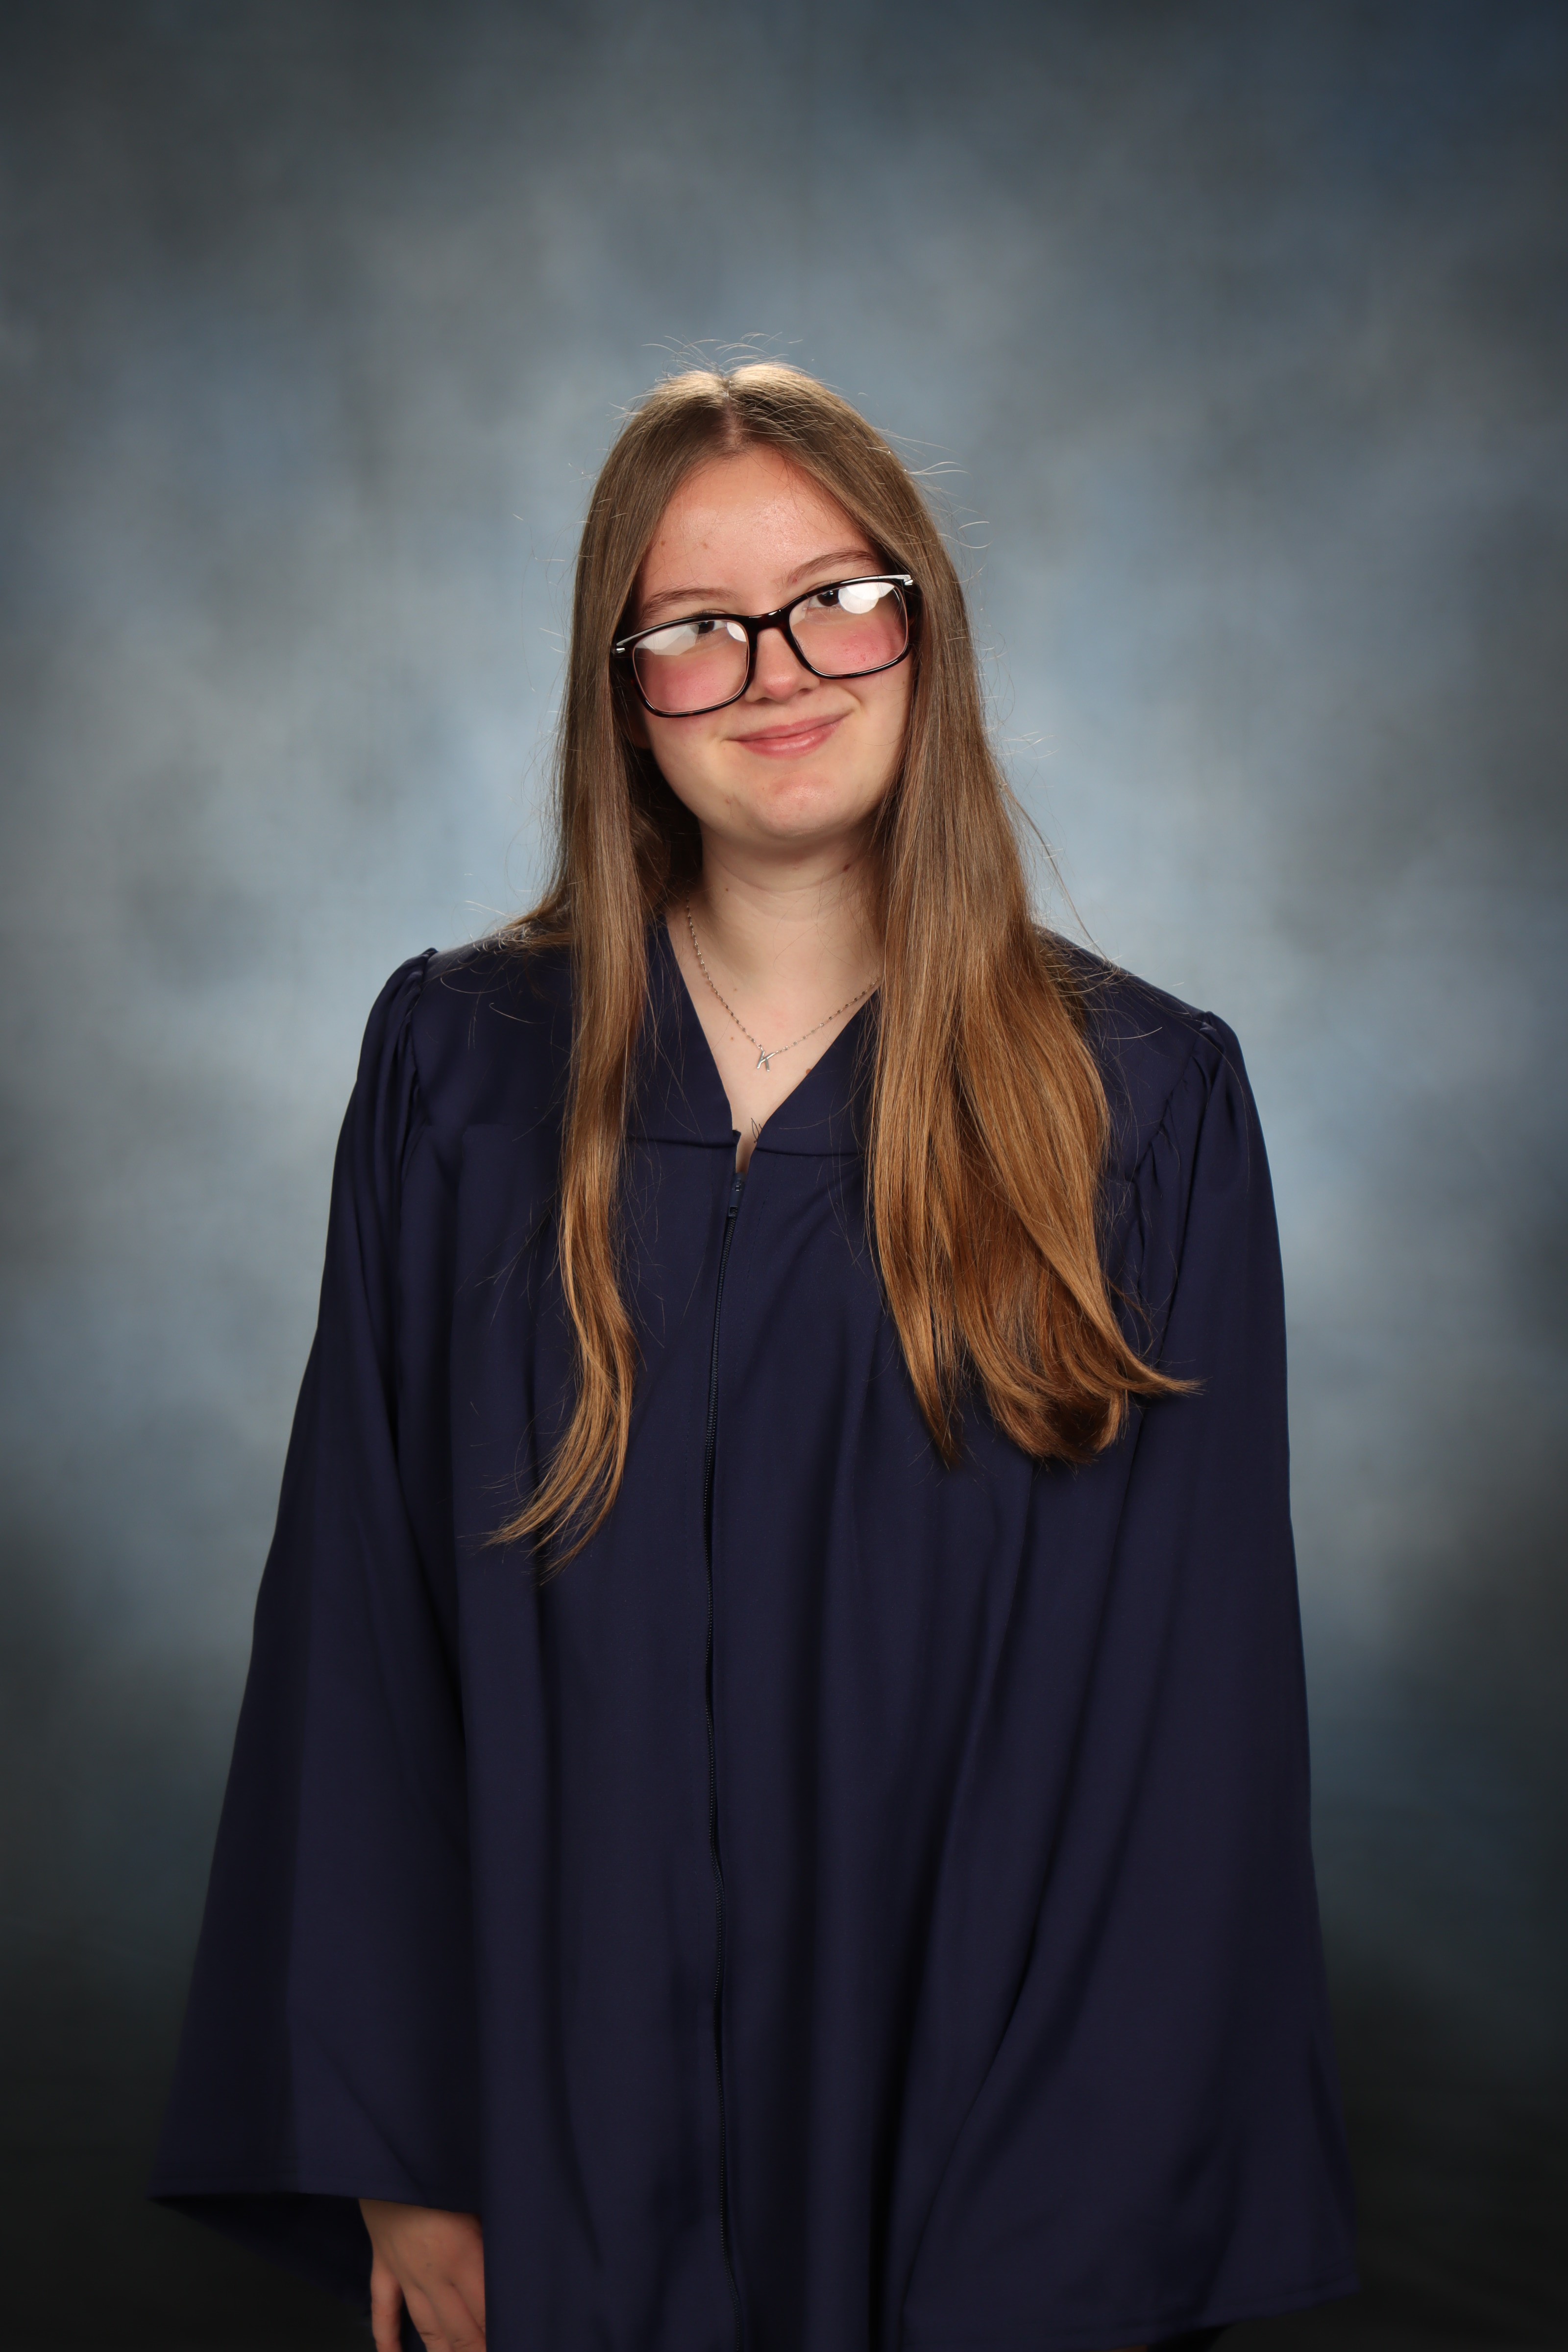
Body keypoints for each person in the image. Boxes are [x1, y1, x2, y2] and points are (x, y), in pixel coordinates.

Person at [152, 363, 1357, 2352]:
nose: (777, 671)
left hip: (977, 2132)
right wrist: (408, 2142)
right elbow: (361, 1632)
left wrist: (1057, 2256)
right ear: (620, 693)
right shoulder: (465, 1075)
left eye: (834, 600)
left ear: (921, 626)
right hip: (552, 2119)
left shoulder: (1134, 1110)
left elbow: (1179, 1741)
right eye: (695, 628)